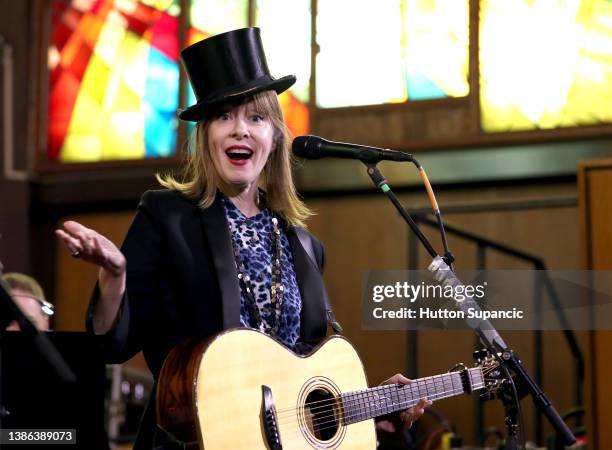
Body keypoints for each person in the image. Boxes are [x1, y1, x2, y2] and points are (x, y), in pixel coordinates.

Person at [55, 27, 430, 448]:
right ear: (205, 136)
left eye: (256, 117)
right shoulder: (168, 218)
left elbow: (301, 380)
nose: (240, 130)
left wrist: (369, 415)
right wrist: (115, 278)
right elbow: (113, 344)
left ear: (274, 138)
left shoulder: (304, 246)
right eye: (223, 116)